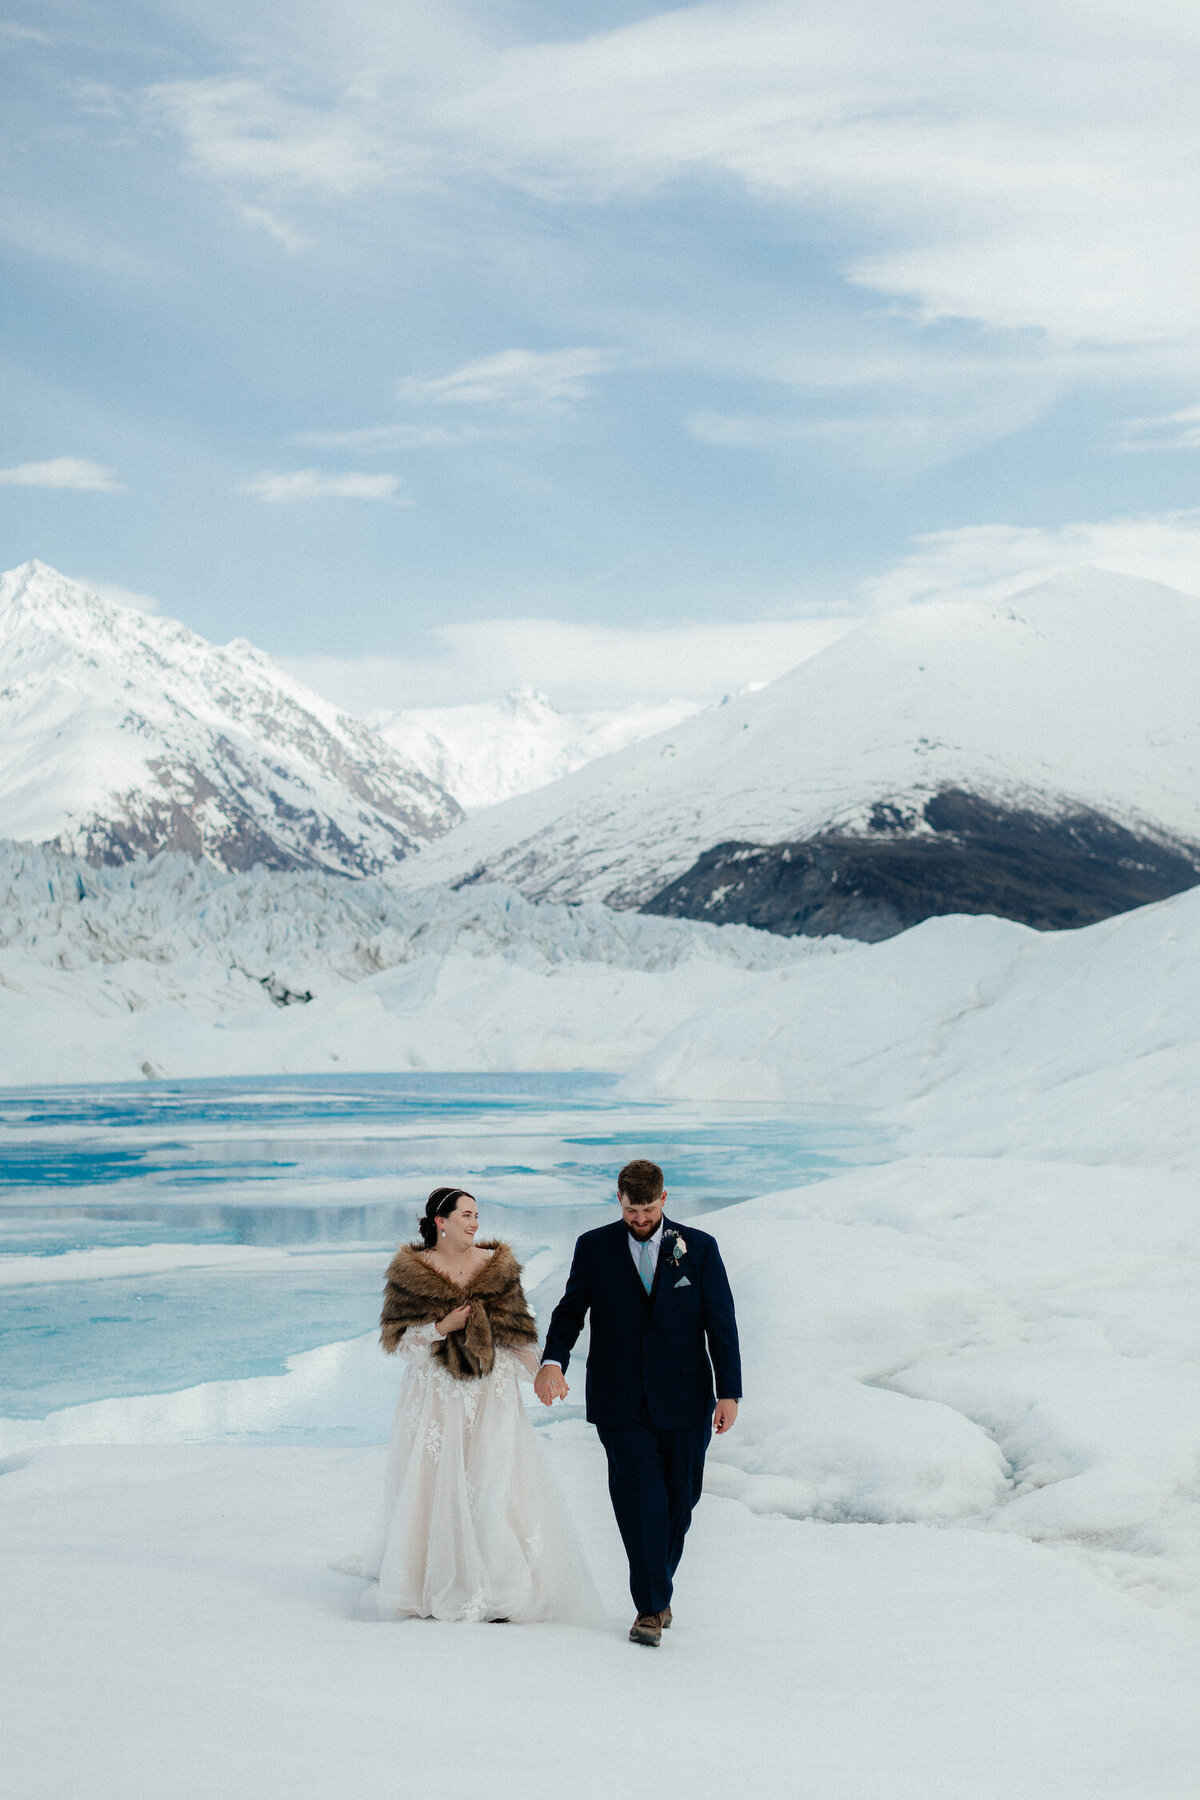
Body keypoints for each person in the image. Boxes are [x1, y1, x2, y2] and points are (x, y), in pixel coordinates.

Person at [359, 1185, 600, 1624]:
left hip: (493, 1392)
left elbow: (518, 1334)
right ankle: (437, 1578)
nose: (474, 1223)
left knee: (494, 1477)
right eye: (466, 1215)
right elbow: (400, 1343)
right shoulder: (410, 1272)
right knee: (438, 1481)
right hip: (436, 1396)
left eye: (477, 1215)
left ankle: (498, 1582)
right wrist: (440, 1326)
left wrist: (545, 1372)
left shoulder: (496, 1268)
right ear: (441, 1221)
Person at [534, 1158, 742, 1646]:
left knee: (679, 1504)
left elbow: (722, 1323)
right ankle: (649, 1609)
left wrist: (728, 1392)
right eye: (632, 1210)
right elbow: (569, 1313)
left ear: (664, 1200)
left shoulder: (701, 1249)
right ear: (619, 1201)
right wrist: (553, 1361)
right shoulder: (593, 1247)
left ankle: (657, 1588)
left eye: (648, 1209)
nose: (641, 1219)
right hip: (619, 1400)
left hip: (687, 1399)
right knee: (638, 1501)